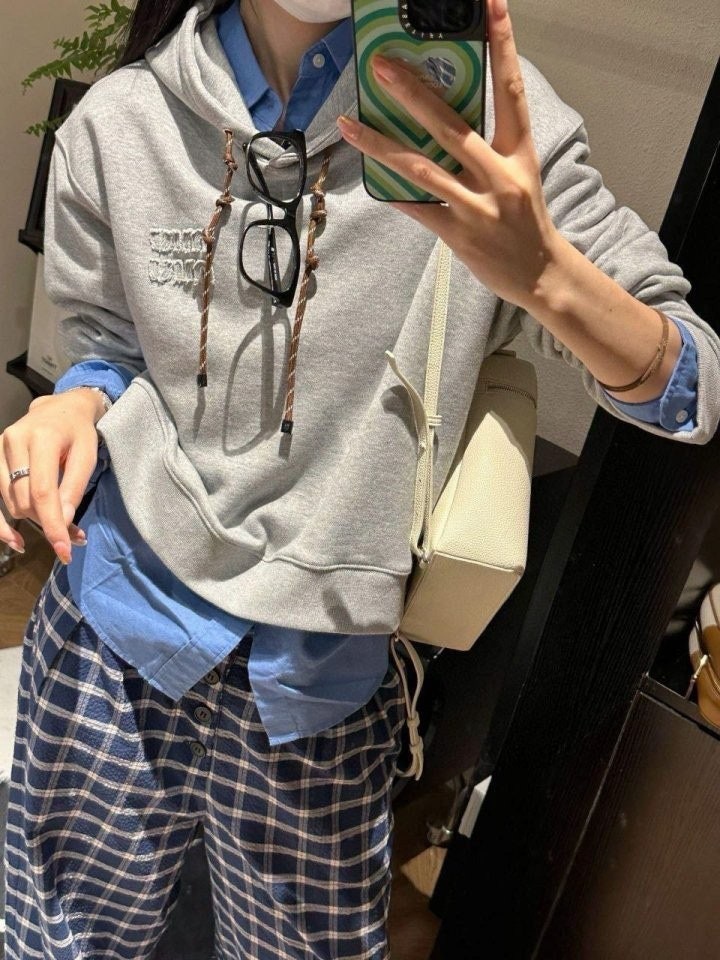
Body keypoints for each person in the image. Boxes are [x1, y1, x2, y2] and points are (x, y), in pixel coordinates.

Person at [2, 0, 719, 957]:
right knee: (58, 942)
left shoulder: (488, 126)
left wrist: (548, 275)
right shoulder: (122, 118)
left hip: (320, 682)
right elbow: (111, 347)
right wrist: (75, 400)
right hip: (111, 633)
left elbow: (692, 387)